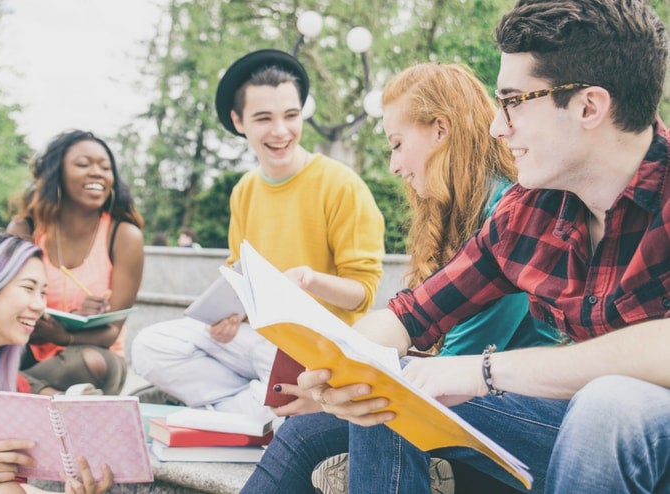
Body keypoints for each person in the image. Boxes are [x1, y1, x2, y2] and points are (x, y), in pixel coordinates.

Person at [298, 1, 670, 493]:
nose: (497, 126)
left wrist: (485, 371)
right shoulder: (530, 211)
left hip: (635, 431)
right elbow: (411, 315)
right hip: (581, 434)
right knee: (397, 383)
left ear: (588, 107)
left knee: (610, 407)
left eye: (513, 100)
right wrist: (343, 370)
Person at [241, 62, 562, 494]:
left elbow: (460, 361)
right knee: (303, 433)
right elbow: (410, 316)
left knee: (390, 388)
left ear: (440, 130)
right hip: (478, 395)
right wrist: (329, 387)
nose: (393, 165)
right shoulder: (467, 215)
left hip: (528, 406)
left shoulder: (512, 214)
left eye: (397, 145)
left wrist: (346, 384)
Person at [130, 49, 385, 417]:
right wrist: (230, 313)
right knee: (149, 346)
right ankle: (244, 410)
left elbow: (361, 294)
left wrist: (309, 279)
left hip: (311, 347)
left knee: (281, 388)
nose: (281, 131)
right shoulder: (245, 190)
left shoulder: (341, 184)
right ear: (239, 121)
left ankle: (229, 409)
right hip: (256, 339)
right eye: (264, 118)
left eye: (291, 116)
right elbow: (240, 272)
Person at [0, 227, 112, 493]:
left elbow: (10, 487)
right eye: (28, 288)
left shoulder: (15, 390)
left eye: (42, 293)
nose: (39, 305)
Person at [7, 129, 145, 396]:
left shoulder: (124, 236)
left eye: (105, 168)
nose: (97, 173)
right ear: (56, 174)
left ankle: (6, 388)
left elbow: (110, 333)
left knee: (91, 362)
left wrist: (67, 333)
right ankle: (51, 396)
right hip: (26, 350)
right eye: (83, 164)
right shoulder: (25, 229)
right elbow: (4, 308)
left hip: (91, 359)